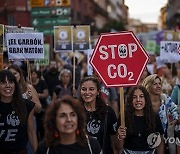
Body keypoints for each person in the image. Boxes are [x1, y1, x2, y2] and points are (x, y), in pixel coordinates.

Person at [36, 95, 101, 154]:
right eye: (62, 116)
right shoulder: (44, 148)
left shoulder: (92, 145)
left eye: (72, 115)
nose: (69, 119)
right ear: (54, 120)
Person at [117, 85, 164, 153]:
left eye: (141, 96)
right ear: (130, 100)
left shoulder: (154, 117)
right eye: (134, 97)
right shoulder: (124, 117)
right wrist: (120, 137)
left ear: (146, 99)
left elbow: (160, 144)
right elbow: (118, 147)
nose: (138, 100)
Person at [0, 69, 38, 153]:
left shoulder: (27, 106)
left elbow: (31, 134)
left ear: (15, 84)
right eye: (3, 82)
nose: (7, 85)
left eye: (11, 82)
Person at [79, 76, 118, 154]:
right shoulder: (76, 111)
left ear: (98, 92)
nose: (87, 92)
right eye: (83, 89)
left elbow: (114, 142)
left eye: (91, 89)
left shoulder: (108, 111)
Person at [142, 74, 179, 154]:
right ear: (148, 86)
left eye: (159, 83)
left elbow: (174, 109)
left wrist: (175, 119)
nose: (158, 86)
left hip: (166, 138)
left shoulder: (165, 99)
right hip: (148, 139)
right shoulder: (144, 102)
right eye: (155, 84)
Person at [31, 68, 49, 142]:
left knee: (42, 128)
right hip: (32, 110)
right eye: (31, 74)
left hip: (42, 109)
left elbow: (46, 94)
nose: (32, 76)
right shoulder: (28, 84)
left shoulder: (42, 82)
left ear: (37, 75)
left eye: (34, 74)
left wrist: (36, 95)